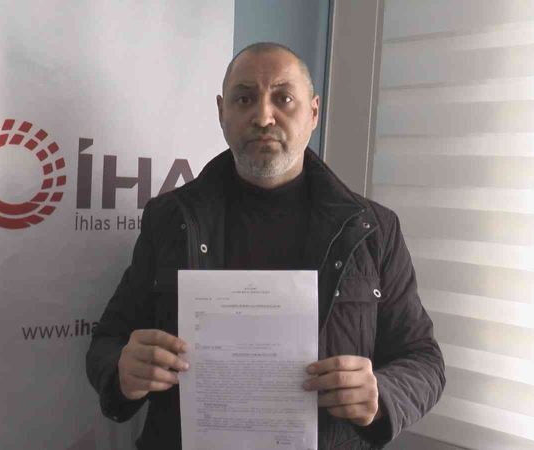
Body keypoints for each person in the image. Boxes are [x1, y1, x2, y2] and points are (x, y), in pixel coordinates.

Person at [86, 42, 445, 449]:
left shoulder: (373, 229)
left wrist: (381, 395)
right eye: (244, 99)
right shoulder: (169, 219)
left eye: (283, 98)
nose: (262, 117)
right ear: (222, 112)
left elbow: (424, 359)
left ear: (313, 112)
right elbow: (108, 340)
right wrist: (122, 370)